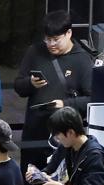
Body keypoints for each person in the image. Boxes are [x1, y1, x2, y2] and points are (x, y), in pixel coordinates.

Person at [13, 10, 94, 145]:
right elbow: (18, 86)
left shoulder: (82, 60)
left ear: (68, 33)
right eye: (48, 39)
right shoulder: (35, 52)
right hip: (35, 131)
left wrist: (65, 104)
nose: (51, 44)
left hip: (65, 135)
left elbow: (92, 100)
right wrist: (30, 83)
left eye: (56, 40)